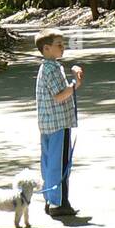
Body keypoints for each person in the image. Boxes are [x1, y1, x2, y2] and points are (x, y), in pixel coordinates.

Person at [34, 30, 84, 218]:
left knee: (49, 162)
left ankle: (51, 200)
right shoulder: (51, 69)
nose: (63, 48)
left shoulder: (47, 67)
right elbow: (59, 95)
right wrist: (75, 84)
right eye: (59, 45)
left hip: (48, 124)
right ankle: (59, 203)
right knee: (60, 164)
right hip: (58, 124)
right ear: (46, 48)